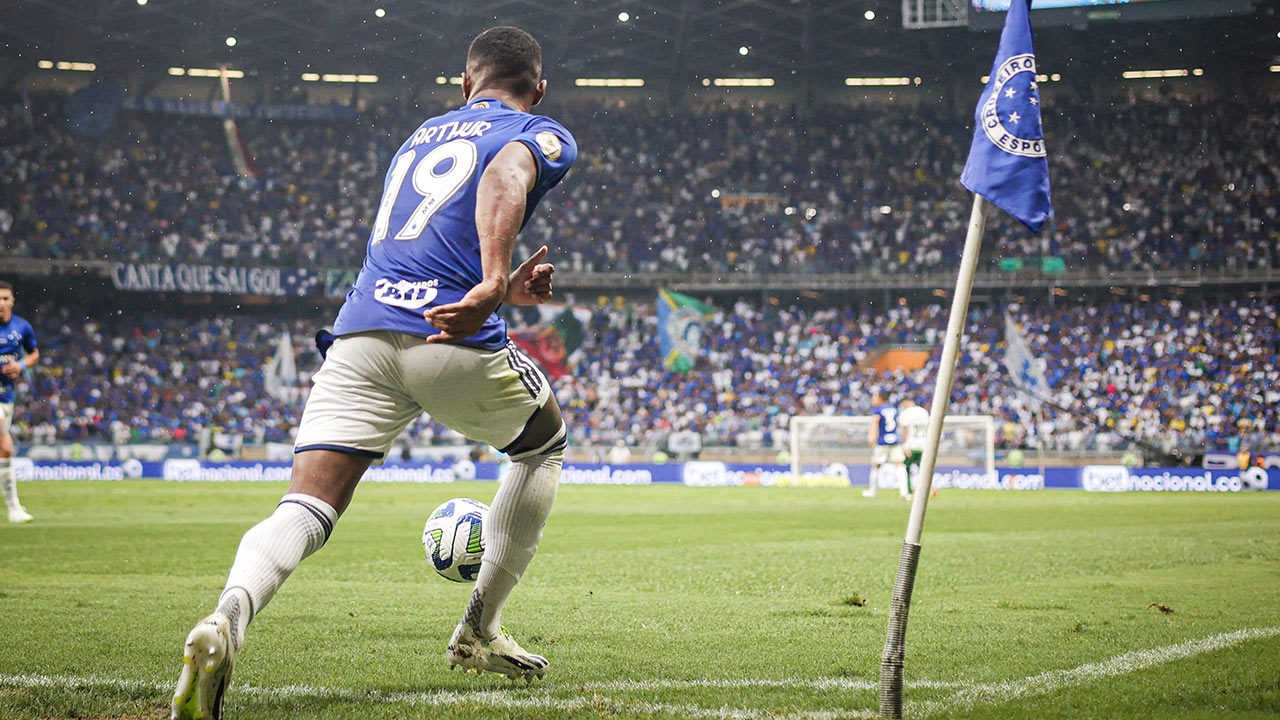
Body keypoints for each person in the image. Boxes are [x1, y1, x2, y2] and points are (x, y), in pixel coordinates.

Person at [171, 26, 577, 720]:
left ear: (463, 83)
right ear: (537, 89)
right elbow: (504, 174)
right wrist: (494, 279)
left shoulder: (420, 136)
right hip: (449, 337)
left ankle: (225, 620)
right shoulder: (540, 131)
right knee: (541, 450)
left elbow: (419, 247)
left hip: (359, 335)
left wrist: (503, 286)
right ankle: (478, 632)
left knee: (305, 507)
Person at [0, 281, 39, 524]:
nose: (0, 303)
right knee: (6, 444)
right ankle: (14, 509)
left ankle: (13, 507)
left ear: (12, 301)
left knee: (4, 451)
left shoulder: (22, 327)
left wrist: (21, 365)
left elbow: (34, 353)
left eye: (5, 299)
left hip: (6, 396)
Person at [863, 393, 900, 498]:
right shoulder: (894, 409)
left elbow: (875, 423)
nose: (873, 400)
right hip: (894, 440)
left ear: (880, 398)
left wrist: (872, 437)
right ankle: (904, 492)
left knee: (876, 466)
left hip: (882, 441)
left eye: (875, 397)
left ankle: (872, 491)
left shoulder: (878, 410)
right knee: (899, 465)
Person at [897, 399, 930, 500]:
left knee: (906, 468)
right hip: (924, 445)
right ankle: (924, 491)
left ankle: (907, 492)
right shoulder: (924, 412)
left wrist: (905, 445)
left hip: (911, 445)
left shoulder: (906, 413)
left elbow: (905, 430)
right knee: (923, 470)